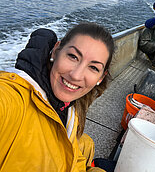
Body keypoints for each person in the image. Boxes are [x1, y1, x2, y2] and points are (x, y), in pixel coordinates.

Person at [0, 22, 114, 171]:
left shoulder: (70, 108)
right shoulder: (12, 99)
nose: (76, 75)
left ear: (101, 77)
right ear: (56, 51)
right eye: (73, 57)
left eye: (93, 67)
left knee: (87, 143)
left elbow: (73, 160)